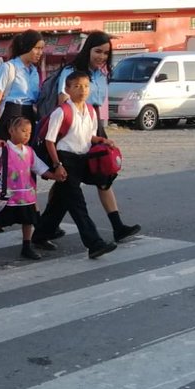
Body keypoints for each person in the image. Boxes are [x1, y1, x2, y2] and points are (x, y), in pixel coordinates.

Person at [55, 31, 141, 242]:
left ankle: (117, 226)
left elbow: (98, 106)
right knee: (67, 184)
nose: (102, 56)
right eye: (98, 51)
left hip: (94, 126)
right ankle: (47, 227)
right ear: (88, 50)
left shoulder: (101, 75)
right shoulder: (71, 72)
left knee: (104, 174)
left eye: (105, 53)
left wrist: (100, 133)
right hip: (74, 128)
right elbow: (63, 102)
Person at [32, 70, 118, 260]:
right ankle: (94, 243)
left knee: (60, 202)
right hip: (65, 160)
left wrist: (102, 140)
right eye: (77, 86)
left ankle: (40, 234)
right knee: (78, 205)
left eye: (86, 86)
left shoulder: (90, 110)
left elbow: (89, 136)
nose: (82, 90)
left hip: (83, 159)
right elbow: (49, 141)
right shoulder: (61, 112)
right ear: (68, 89)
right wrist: (57, 165)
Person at [0, 115, 48, 260]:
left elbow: (39, 167)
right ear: (11, 130)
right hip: (8, 195)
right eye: (23, 131)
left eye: (29, 132)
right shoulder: (3, 150)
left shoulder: (29, 151)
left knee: (28, 220)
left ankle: (26, 246)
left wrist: (54, 175)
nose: (27, 135)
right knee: (1, 220)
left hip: (26, 195)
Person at [0, 30, 44, 147]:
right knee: (6, 155)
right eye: (37, 48)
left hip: (28, 117)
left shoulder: (34, 72)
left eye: (42, 49)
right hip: (9, 117)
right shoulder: (8, 68)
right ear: (27, 47)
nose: (40, 52)